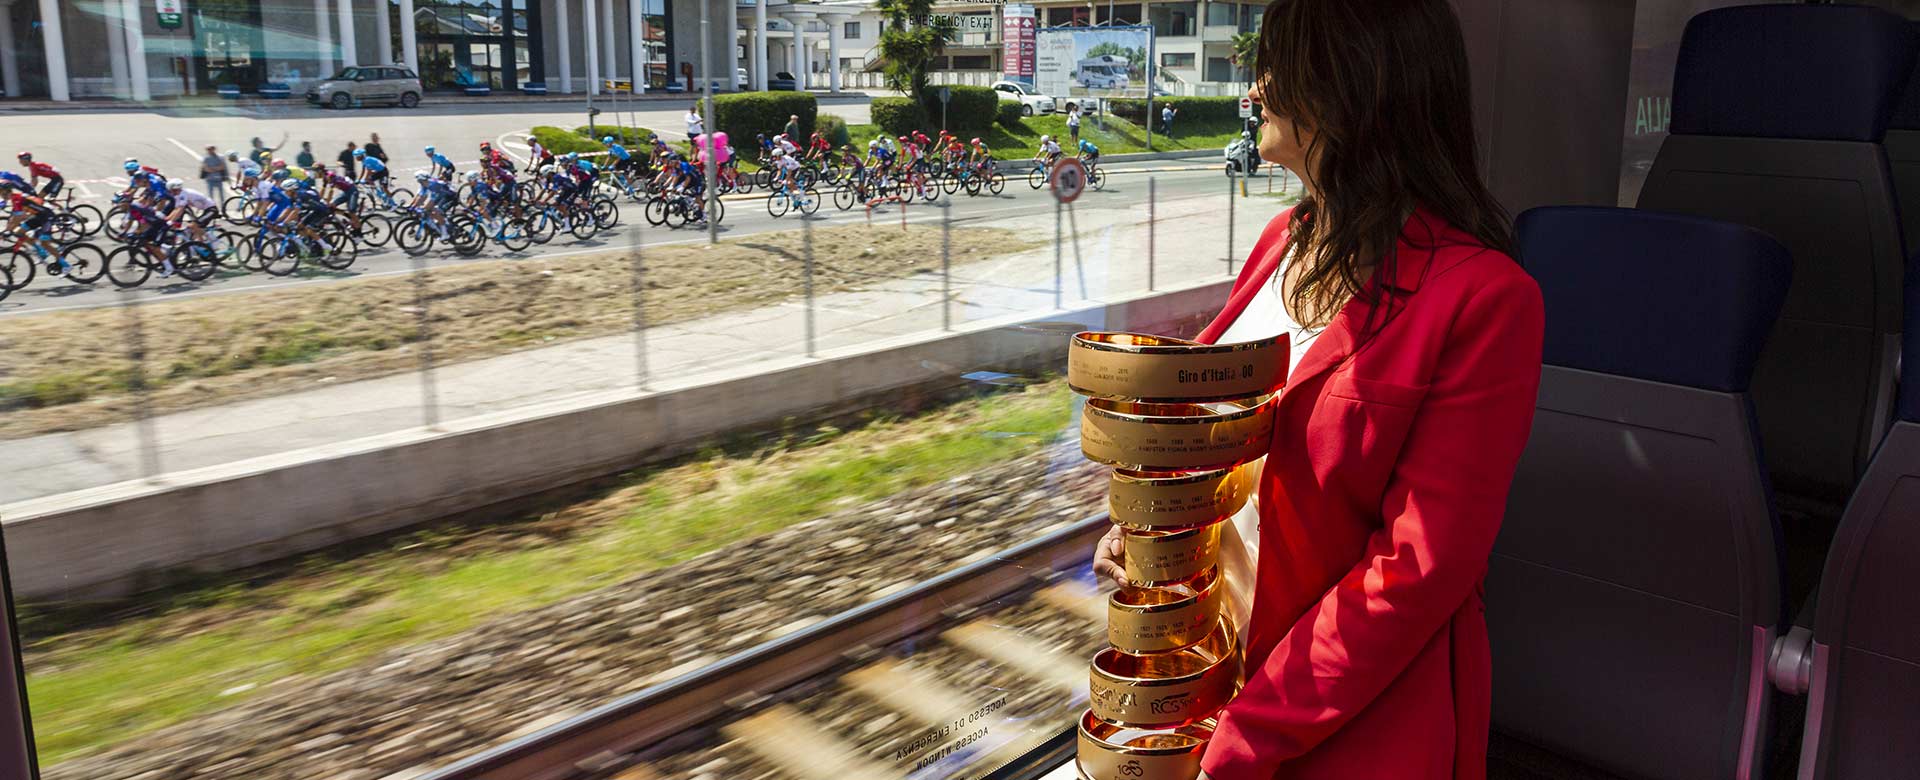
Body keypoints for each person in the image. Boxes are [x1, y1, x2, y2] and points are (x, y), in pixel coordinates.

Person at [1091, 2, 1543, 778]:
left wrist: (1246, 737)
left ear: (1351, 88)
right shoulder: (1285, 242)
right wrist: (1153, 540)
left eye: (1280, 64)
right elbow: (1228, 439)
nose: (1257, 85)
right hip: (1221, 683)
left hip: (1344, 728)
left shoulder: (1485, 301)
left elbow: (1411, 573)